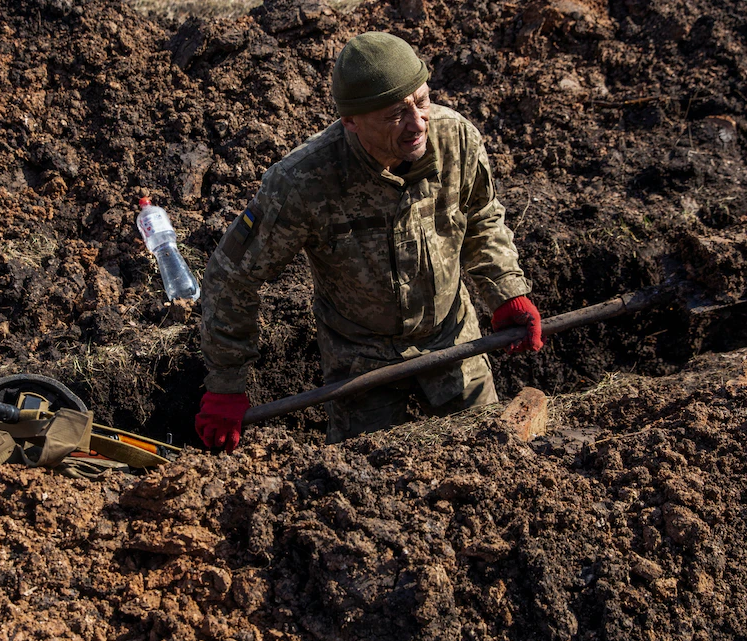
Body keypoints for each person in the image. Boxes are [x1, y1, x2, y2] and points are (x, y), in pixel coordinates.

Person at [195, 32, 544, 453]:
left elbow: (482, 216)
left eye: (422, 101)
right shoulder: (304, 182)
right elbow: (232, 277)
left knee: (489, 454)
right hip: (361, 359)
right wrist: (227, 384)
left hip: (452, 339)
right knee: (364, 480)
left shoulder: (456, 140)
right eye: (396, 114)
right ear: (351, 121)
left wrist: (506, 291)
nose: (417, 124)